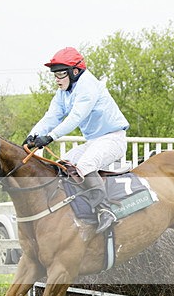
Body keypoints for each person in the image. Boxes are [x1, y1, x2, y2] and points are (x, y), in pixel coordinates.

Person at [25, 47, 130, 234]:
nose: (57, 79)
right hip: (93, 142)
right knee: (63, 165)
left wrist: (50, 137)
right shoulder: (64, 92)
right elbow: (51, 116)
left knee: (85, 165)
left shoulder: (87, 85)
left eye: (60, 74)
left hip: (113, 139)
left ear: (75, 72)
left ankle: (106, 211)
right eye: (55, 75)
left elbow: (75, 118)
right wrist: (33, 135)